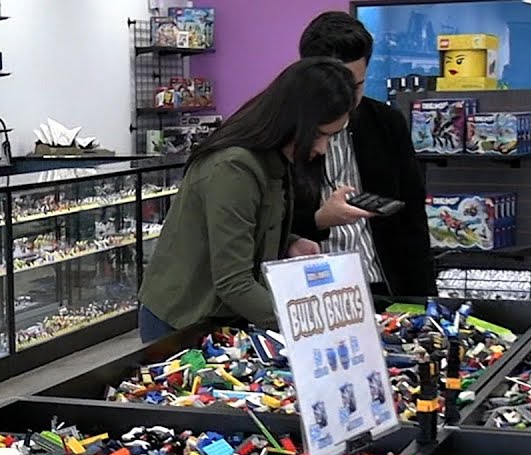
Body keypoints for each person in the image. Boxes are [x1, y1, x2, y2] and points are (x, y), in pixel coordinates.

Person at [138, 57, 357, 342]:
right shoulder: (234, 168)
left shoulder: (274, 157)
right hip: (184, 320)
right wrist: (311, 327)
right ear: (294, 120)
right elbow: (234, 281)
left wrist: (290, 242)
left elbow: (248, 226)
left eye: (331, 137)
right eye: (318, 134)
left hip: (221, 315)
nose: (322, 148)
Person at [293, 11, 436, 297]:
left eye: (355, 86)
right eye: (334, 85)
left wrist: (425, 300)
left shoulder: (387, 123)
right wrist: (319, 219)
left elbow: (412, 220)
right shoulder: (282, 128)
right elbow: (264, 227)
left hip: (380, 286)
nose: (345, 98)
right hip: (308, 289)